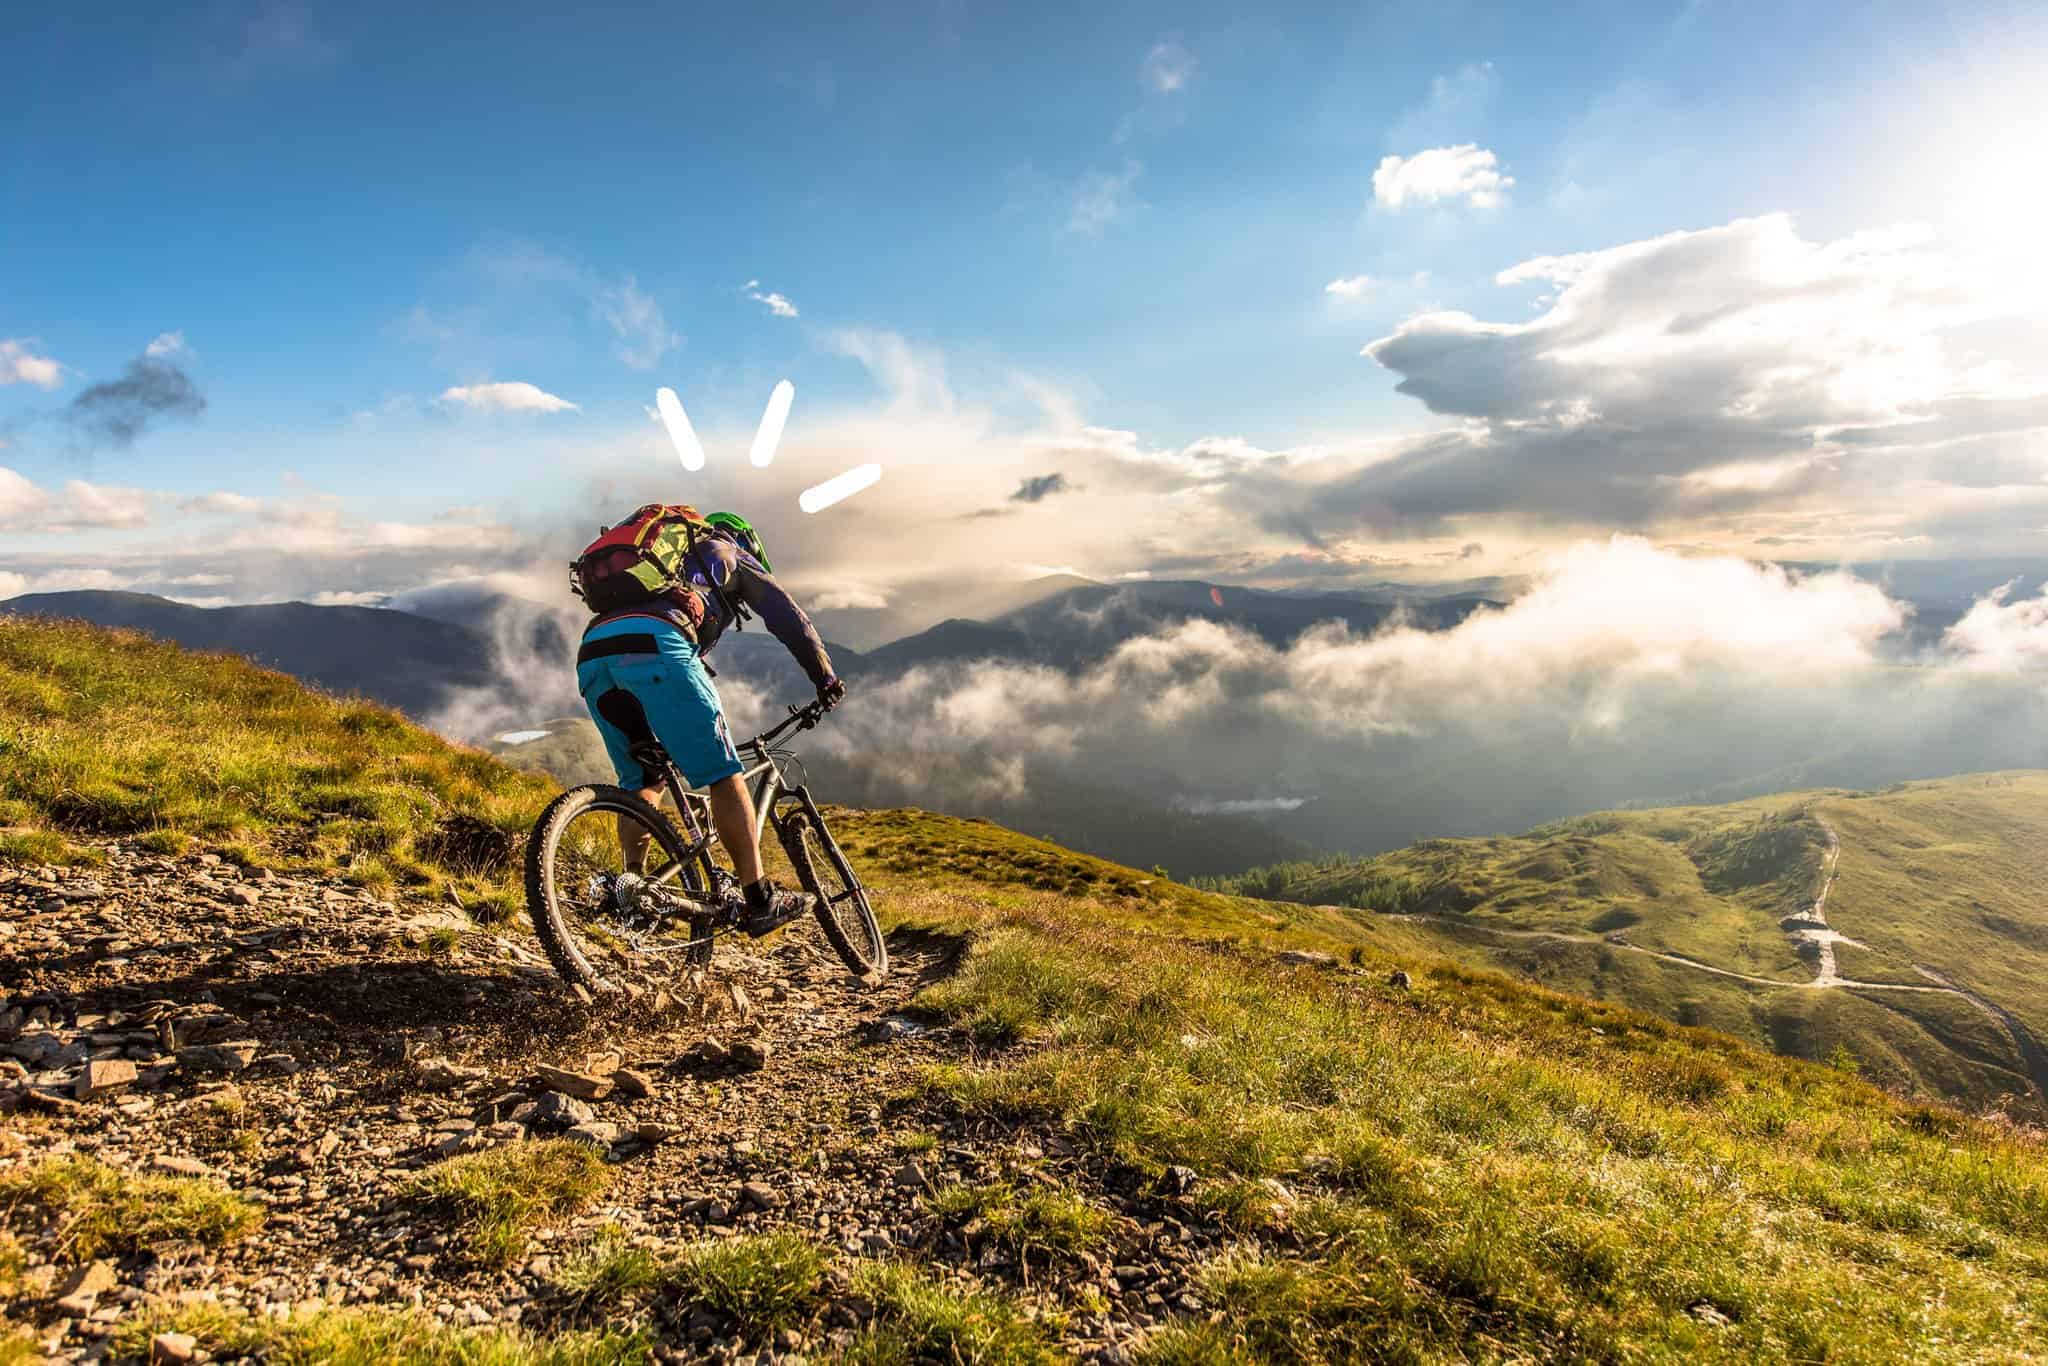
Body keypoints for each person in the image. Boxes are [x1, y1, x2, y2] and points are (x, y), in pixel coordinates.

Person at [571, 506, 845, 936]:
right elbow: (786, 615)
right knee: (723, 772)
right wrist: (825, 676)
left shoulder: (659, 565)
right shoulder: (725, 550)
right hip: (656, 644)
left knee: (644, 781)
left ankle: (634, 891)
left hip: (593, 655)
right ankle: (760, 899)